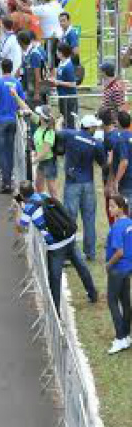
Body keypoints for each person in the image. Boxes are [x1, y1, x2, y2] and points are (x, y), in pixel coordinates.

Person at [15, 180, 97, 314]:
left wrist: (19, 208)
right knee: (82, 268)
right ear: (34, 189)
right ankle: (93, 294)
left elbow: (21, 228)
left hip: (55, 247)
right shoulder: (44, 196)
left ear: (23, 196)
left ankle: (55, 313)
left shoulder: (28, 209)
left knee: (54, 279)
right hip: (69, 238)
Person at [59, 114, 104, 262]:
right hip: (88, 183)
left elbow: (58, 133)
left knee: (70, 219)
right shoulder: (96, 143)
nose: (96, 128)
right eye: (95, 126)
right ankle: (90, 252)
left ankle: (68, 253)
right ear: (90, 127)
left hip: (72, 183)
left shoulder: (70, 134)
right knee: (89, 219)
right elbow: (102, 163)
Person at [0, 58, 25, 193]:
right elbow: (21, 100)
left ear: (1, 68)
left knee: (1, 152)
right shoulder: (17, 83)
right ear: (11, 68)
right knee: (10, 151)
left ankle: (6, 183)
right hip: (13, 120)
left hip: (0, 120)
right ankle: (9, 179)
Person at [104, 195, 132, 354]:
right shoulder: (130, 223)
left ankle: (120, 338)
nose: (109, 209)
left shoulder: (117, 227)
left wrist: (108, 264)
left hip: (117, 269)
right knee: (126, 301)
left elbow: (119, 252)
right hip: (127, 268)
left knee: (112, 301)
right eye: (109, 206)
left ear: (121, 208)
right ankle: (127, 335)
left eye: (113, 206)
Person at [46, 42, 78, 128]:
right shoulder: (61, 63)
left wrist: (58, 82)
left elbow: (73, 84)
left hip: (69, 97)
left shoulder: (68, 66)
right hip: (62, 96)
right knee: (64, 117)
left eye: (57, 51)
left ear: (62, 53)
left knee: (69, 120)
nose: (56, 53)